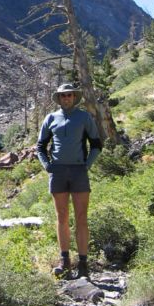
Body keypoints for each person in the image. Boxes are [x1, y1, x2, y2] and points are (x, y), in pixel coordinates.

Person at [36, 83, 102, 279]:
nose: (66, 98)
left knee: (81, 217)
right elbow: (40, 146)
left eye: (69, 95)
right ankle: (64, 260)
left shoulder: (84, 117)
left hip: (79, 171)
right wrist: (47, 166)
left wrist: (87, 165)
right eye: (63, 96)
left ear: (74, 97)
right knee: (62, 217)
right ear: (59, 98)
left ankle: (83, 263)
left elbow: (97, 144)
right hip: (58, 172)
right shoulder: (51, 118)